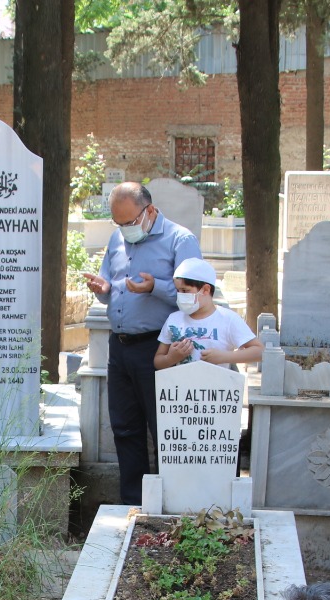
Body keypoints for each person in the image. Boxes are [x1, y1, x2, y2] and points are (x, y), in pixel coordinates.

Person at [80, 181, 202, 504]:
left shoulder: (180, 240)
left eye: (129, 223)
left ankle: (171, 507)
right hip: (119, 348)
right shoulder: (117, 239)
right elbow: (112, 285)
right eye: (117, 224)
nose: (124, 230)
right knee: (125, 429)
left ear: (149, 211)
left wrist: (155, 288)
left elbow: (196, 297)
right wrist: (102, 288)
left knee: (165, 432)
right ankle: (133, 506)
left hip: (158, 348)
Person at [154, 257, 261, 369]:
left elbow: (259, 351)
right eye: (178, 290)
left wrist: (224, 357)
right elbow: (158, 361)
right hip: (179, 386)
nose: (180, 295)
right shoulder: (174, 319)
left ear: (206, 289)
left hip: (217, 385)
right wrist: (171, 358)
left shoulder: (228, 319)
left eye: (185, 290)